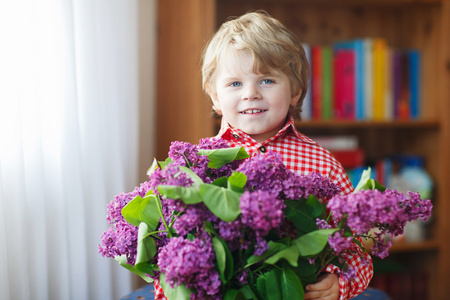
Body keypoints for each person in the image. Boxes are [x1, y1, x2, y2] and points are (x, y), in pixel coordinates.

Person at [155, 10, 373, 300]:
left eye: (267, 80)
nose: (251, 93)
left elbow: (355, 243)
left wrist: (338, 283)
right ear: (215, 95)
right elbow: (169, 248)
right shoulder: (198, 164)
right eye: (235, 83)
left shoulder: (322, 164)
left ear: (295, 91)